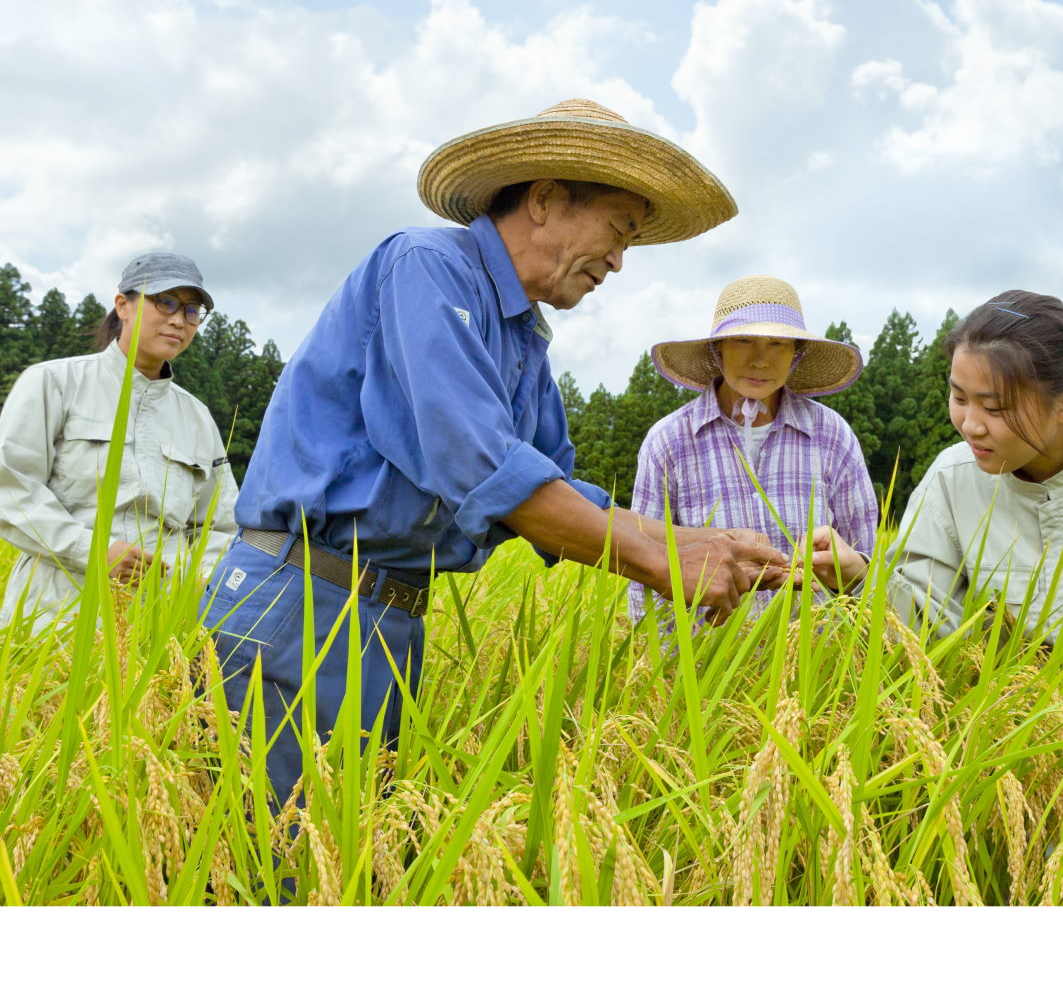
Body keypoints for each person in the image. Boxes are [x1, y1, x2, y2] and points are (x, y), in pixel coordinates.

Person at [202, 98, 792, 803]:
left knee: (351, 849)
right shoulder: (425, 269)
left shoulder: (523, 340)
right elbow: (482, 465)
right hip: (302, 603)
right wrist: (662, 561)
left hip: (388, 615)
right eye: (618, 230)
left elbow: (555, 492)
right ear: (544, 199)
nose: (619, 260)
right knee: (283, 864)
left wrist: (704, 540)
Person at [811, 290, 1063, 661]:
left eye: (995, 408)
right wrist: (858, 578)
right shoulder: (951, 480)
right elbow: (923, 628)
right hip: (1014, 721)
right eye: (960, 398)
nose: (971, 426)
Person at [0, 251, 238, 630]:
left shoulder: (197, 418)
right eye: (165, 301)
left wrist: (192, 579)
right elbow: (11, 490)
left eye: (192, 311)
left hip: (160, 624)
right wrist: (94, 552)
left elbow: (221, 526)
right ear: (123, 306)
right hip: (55, 617)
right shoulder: (54, 383)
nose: (179, 319)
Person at [628, 275, 878, 631]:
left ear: (796, 354)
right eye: (744, 340)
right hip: (705, 664)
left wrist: (853, 572)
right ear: (718, 349)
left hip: (814, 665)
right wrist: (665, 669)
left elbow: (868, 560)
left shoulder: (830, 434)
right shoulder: (670, 441)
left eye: (777, 343)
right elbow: (645, 568)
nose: (760, 360)